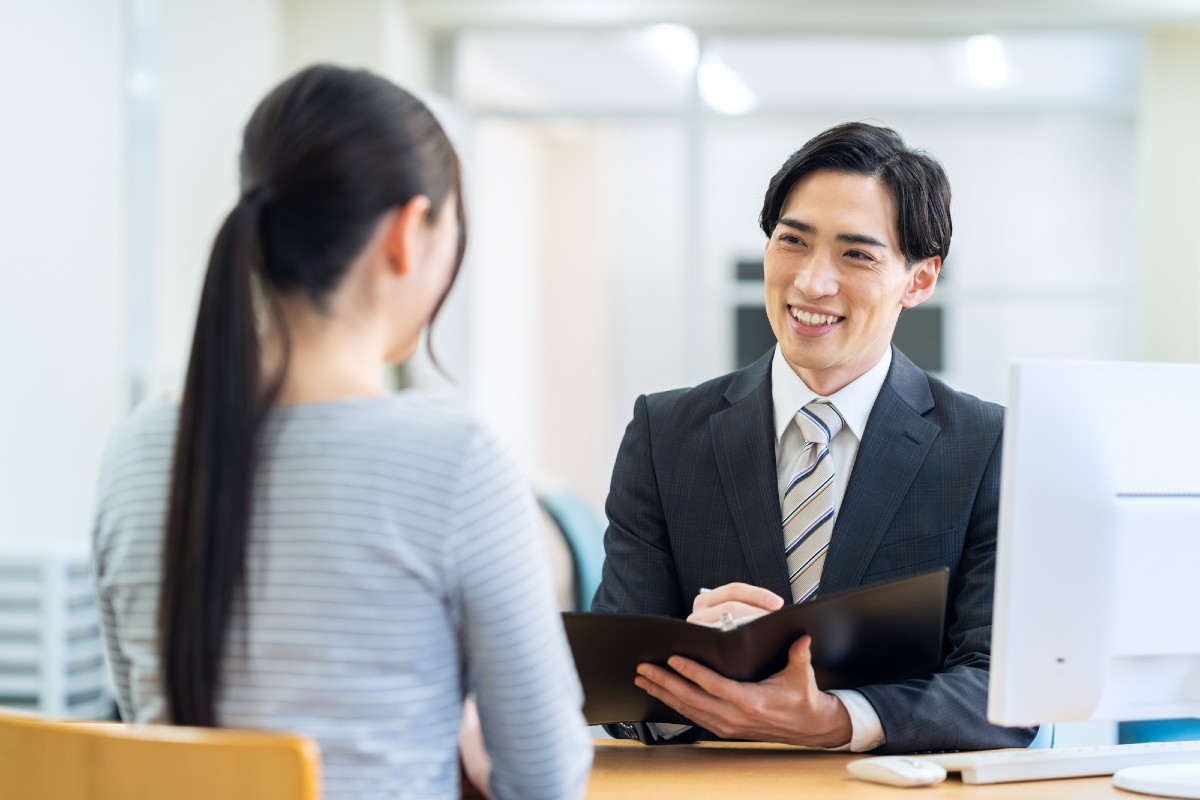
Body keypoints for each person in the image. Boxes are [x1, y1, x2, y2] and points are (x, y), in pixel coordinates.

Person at [91, 65, 592, 800]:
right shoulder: (455, 464)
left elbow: (155, 733)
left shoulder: (136, 452)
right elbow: (547, 781)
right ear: (405, 235)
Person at [592, 122, 1037, 754]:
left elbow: (1007, 695)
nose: (810, 283)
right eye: (792, 242)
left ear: (920, 280)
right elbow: (613, 681)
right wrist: (684, 667)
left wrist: (836, 718)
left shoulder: (986, 444)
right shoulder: (665, 435)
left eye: (857, 254)